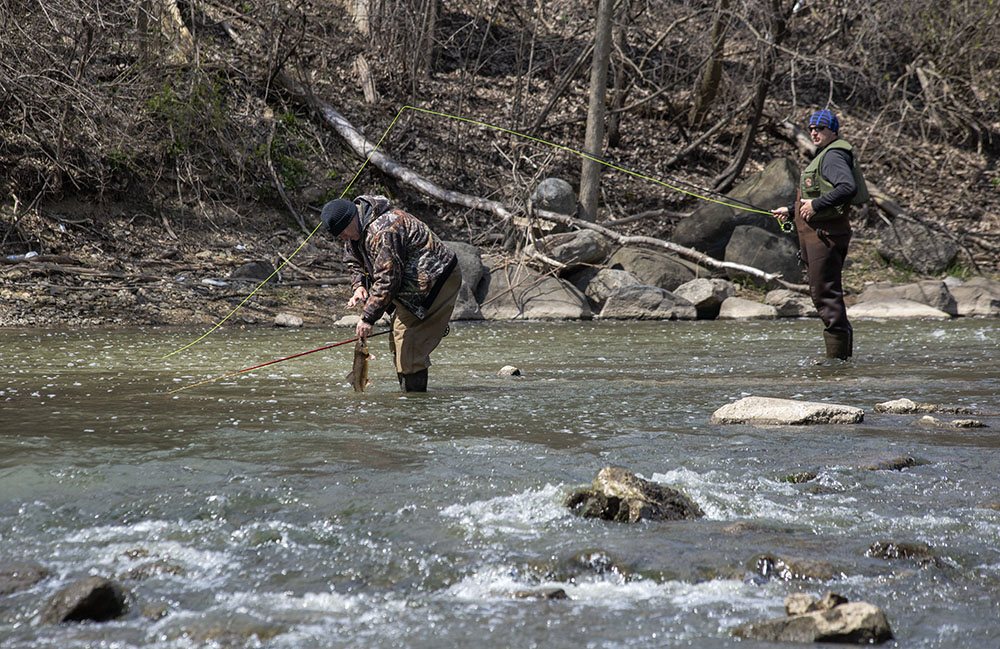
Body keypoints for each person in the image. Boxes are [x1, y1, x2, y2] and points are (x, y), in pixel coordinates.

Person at [321, 195, 461, 392]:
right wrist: (359, 285)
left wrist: (368, 318)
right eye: (340, 236)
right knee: (398, 342)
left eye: (344, 233)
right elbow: (352, 259)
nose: (344, 238)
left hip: (437, 278)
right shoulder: (355, 230)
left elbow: (388, 279)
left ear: (351, 218)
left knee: (408, 344)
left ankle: (415, 408)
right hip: (410, 284)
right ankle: (408, 399)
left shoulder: (384, 230)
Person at [771, 109, 857, 361]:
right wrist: (790, 210)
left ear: (833, 131)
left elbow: (847, 188)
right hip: (822, 234)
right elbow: (819, 193)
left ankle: (837, 362)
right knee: (824, 294)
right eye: (811, 128)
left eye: (820, 128)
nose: (814, 132)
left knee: (825, 296)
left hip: (826, 236)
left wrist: (815, 206)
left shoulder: (833, 157)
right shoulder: (825, 156)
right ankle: (840, 359)